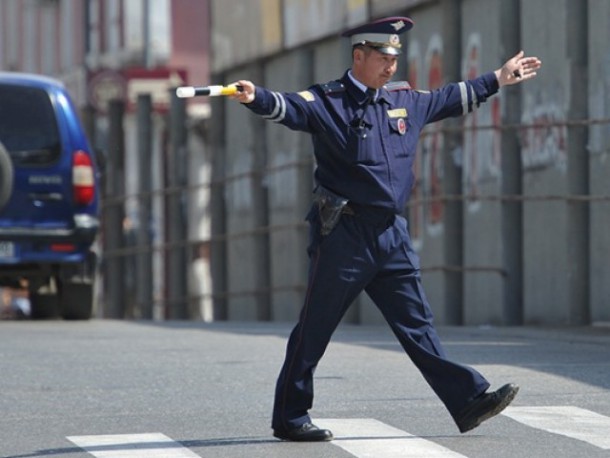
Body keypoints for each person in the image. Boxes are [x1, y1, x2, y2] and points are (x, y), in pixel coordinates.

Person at [230, 16, 542, 442]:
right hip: (344, 234)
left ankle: (467, 401)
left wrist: (498, 79)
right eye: (382, 57)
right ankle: (290, 415)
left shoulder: (404, 99)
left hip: (391, 235)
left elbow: (451, 97)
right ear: (358, 56)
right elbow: (289, 108)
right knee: (315, 327)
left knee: (418, 325)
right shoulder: (329, 100)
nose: (391, 66)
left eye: (395, 57)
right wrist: (256, 97)